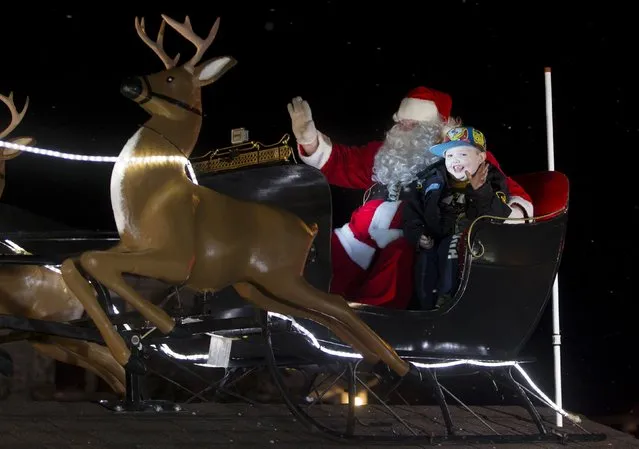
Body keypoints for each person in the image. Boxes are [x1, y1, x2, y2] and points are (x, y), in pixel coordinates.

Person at [287, 88, 532, 309]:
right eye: (401, 123)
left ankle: (374, 320)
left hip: (423, 237)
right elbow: (343, 164)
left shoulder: (461, 156)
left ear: (436, 127)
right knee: (326, 251)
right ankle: (306, 302)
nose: (402, 131)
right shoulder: (386, 154)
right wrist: (309, 140)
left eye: (412, 125)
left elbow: (507, 191)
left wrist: (504, 219)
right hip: (365, 234)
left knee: (399, 254)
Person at [402, 126, 532, 309]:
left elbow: (497, 216)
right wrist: (417, 233)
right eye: (449, 155)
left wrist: (481, 191)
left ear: (481, 157)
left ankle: (447, 303)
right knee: (425, 264)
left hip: (470, 242)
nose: (455, 161)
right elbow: (412, 209)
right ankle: (425, 309)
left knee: (451, 248)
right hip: (436, 236)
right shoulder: (430, 178)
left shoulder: (492, 179)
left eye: (463, 154)